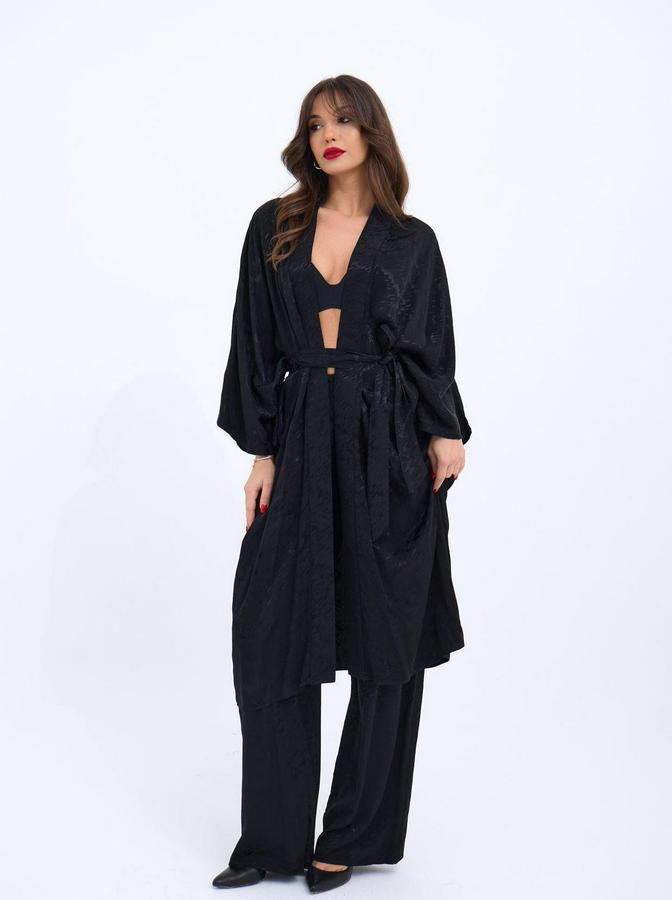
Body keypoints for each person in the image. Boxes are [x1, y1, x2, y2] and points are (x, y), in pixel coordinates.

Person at [212, 74, 472, 893]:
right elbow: (255, 341)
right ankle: (273, 842)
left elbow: (430, 345)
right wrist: (262, 453)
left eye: (345, 120)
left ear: (371, 134)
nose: (329, 134)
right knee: (271, 631)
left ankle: (351, 835)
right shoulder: (276, 225)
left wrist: (445, 430)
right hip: (300, 438)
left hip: (388, 442)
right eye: (316, 122)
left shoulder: (410, 241)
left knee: (388, 637)